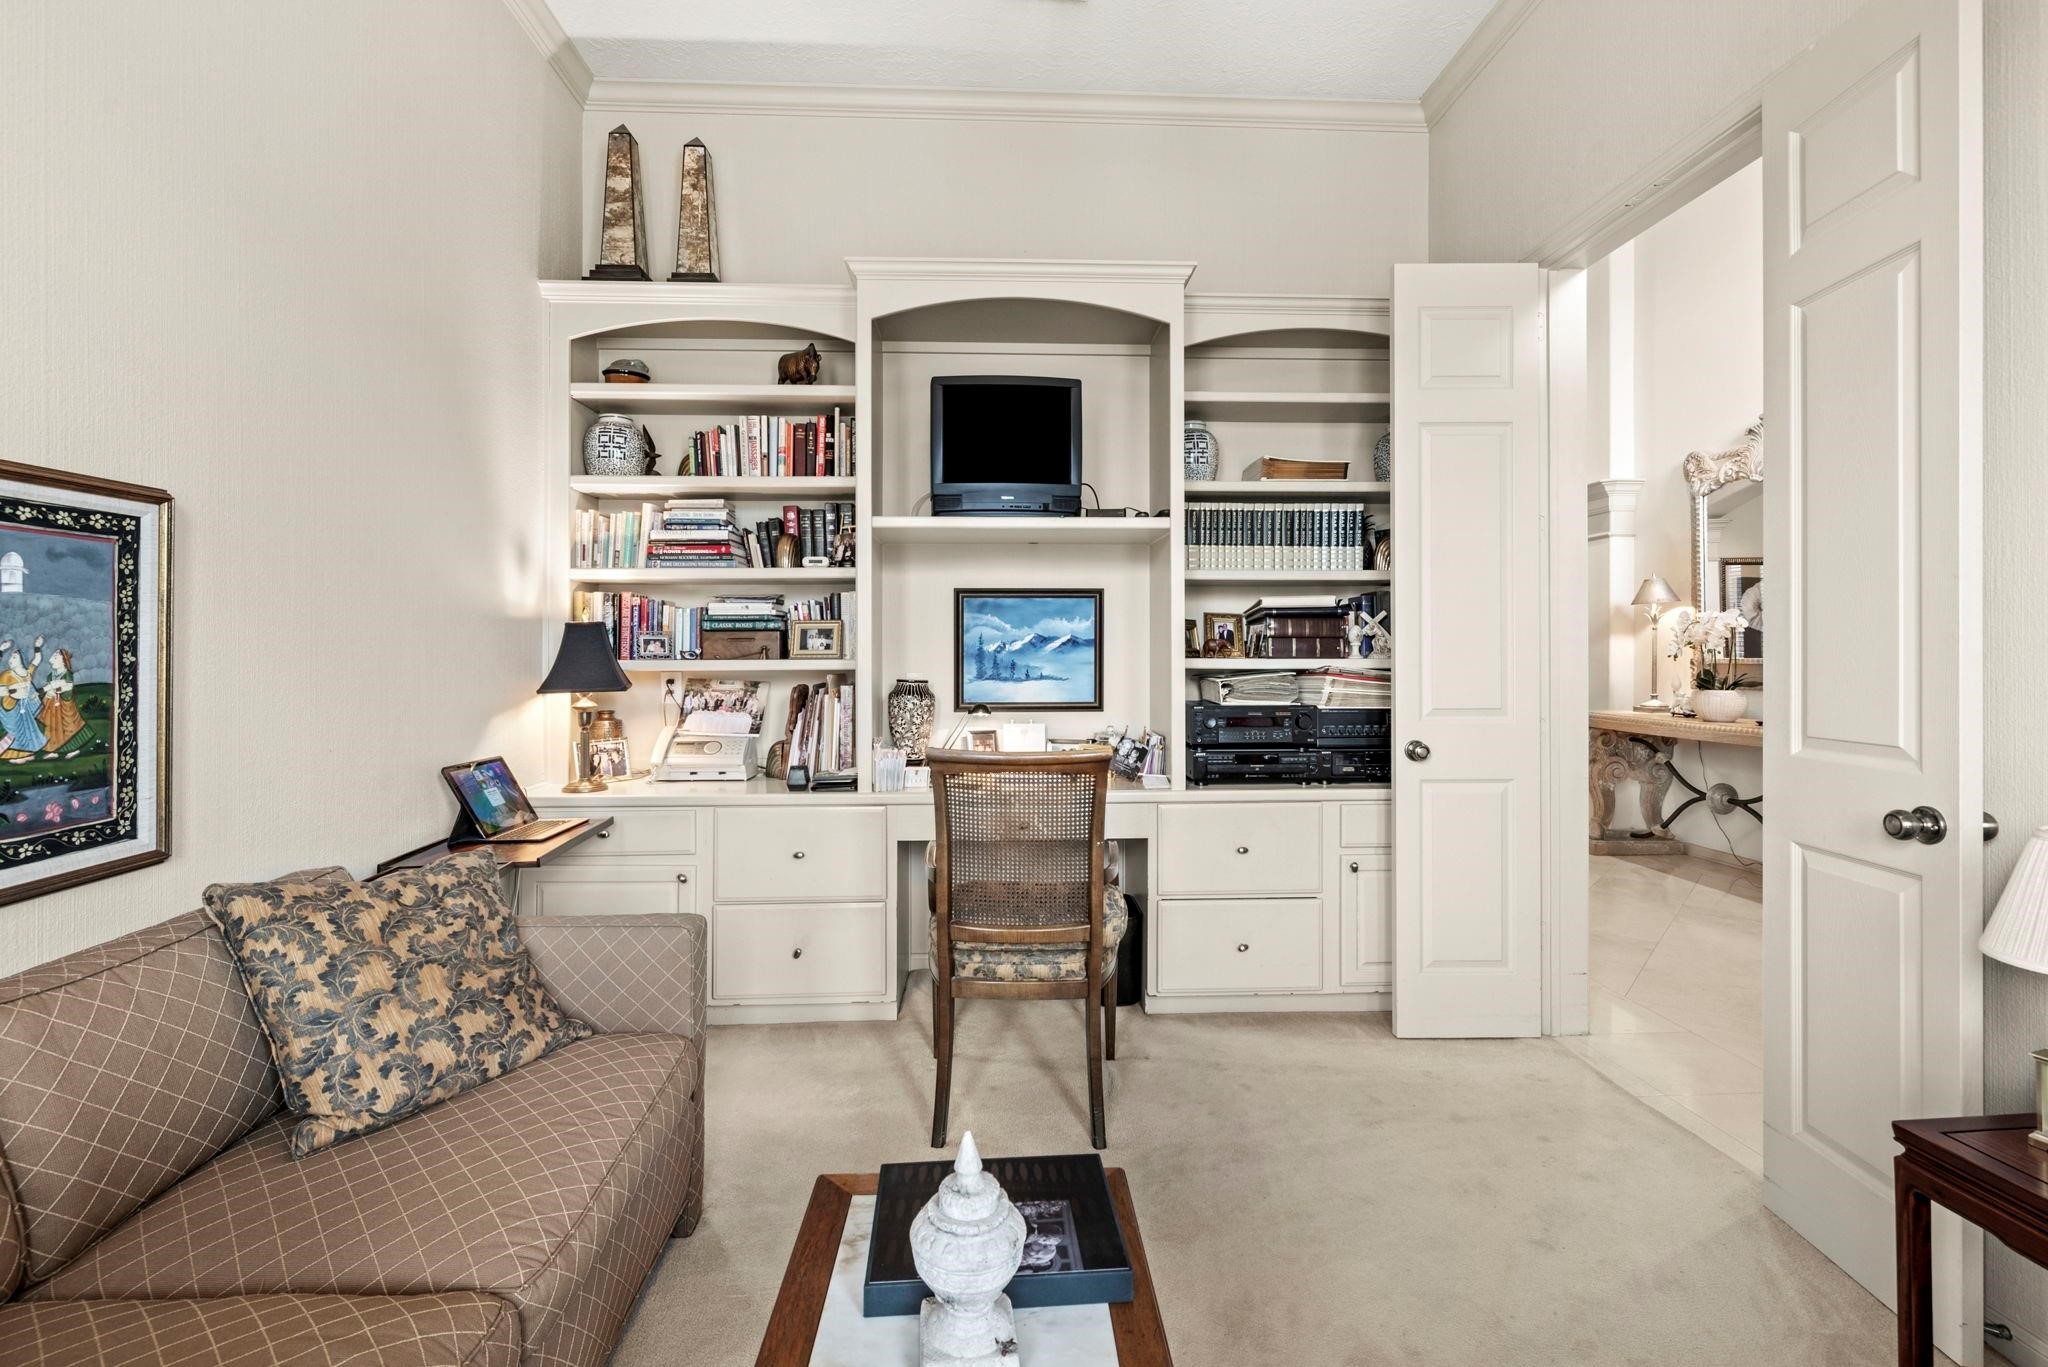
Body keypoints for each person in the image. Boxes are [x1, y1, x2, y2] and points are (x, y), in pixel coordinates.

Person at [0, 637, 47, 762]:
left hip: (23, 708)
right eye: (10, 657)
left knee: (26, 731)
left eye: (14, 657)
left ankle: (26, 753)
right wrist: (1, 649)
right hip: (9, 707)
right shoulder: (7, 675)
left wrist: (37, 646)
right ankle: (15, 755)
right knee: (14, 730)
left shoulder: (27, 674)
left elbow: (37, 660)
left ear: (22, 659)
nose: (10, 659)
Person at [38, 648, 85, 755]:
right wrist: (50, 691)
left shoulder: (67, 673)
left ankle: (74, 749)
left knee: (69, 726)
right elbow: (51, 686)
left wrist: (56, 689)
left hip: (65, 703)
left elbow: (68, 686)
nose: (52, 659)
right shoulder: (51, 675)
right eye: (53, 656)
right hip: (52, 704)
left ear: (63, 660)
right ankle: (53, 750)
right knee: (52, 726)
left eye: (56, 656)